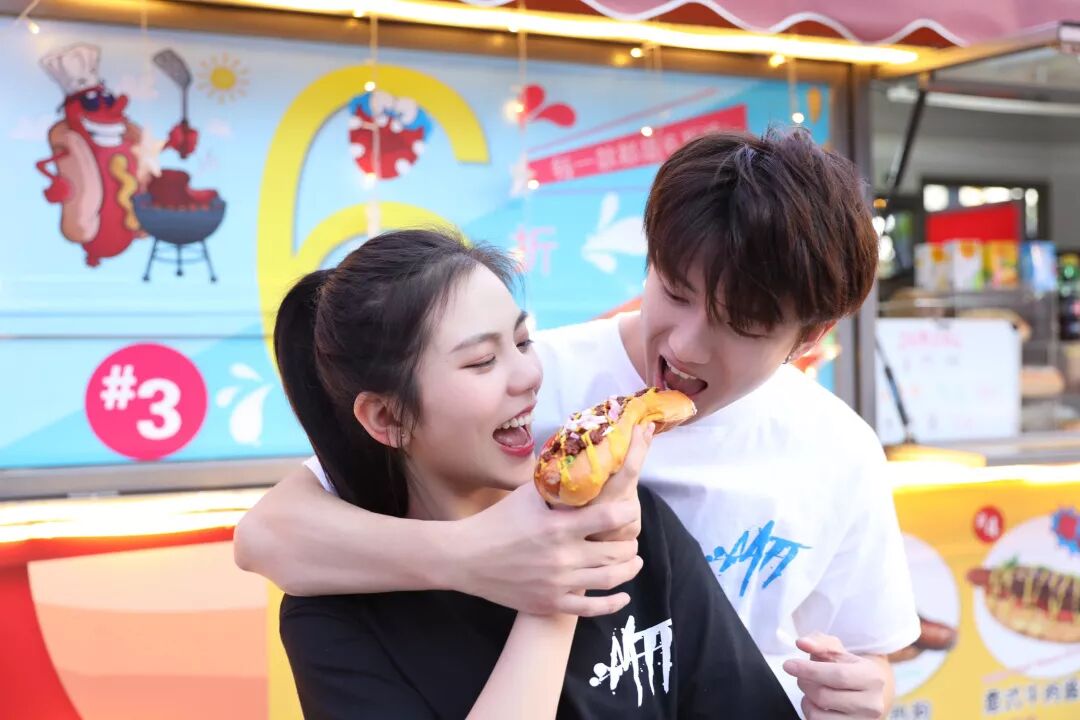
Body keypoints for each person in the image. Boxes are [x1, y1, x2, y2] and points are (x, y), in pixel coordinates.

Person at [236, 130, 919, 719]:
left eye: (740, 325)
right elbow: (267, 536)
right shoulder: (533, 386)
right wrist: (489, 558)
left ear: (810, 337)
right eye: (674, 292)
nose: (684, 346)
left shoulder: (834, 452)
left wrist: (858, 695)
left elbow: (865, 655)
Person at [273, 228, 799, 719]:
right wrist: (563, 580)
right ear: (388, 417)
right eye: (482, 361)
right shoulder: (334, 618)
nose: (529, 375)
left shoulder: (638, 527)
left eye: (523, 342)